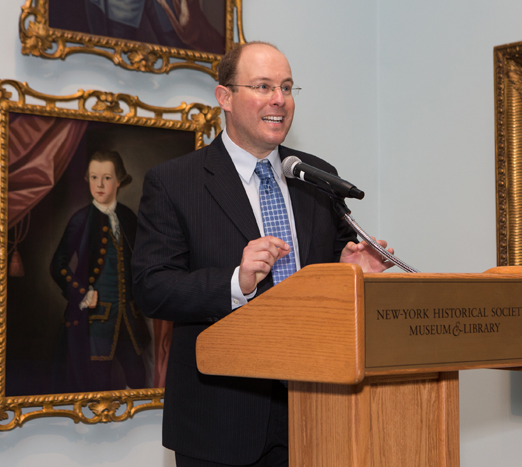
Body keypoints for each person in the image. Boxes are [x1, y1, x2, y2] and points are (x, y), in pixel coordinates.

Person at [132, 42, 393, 467]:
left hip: (317, 411)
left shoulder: (314, 176)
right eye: (264, 86)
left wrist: (349, 273)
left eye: (287, 88)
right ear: (225, 98)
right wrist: (236, 282)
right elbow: (151, 287)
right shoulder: (174, 182)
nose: (280, 100)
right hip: (221, 420)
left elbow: (327, 277)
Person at [51, 150, 150, 393]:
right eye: (94, 177)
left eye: (106, 178)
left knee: (138, 376)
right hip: (96, 320)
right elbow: (57, 264)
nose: (99, 184)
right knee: (98, 380)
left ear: (119, 181)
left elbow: (142, 261)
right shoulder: (81, 219)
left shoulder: (128, 217)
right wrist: (83, 293)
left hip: (129, 317)